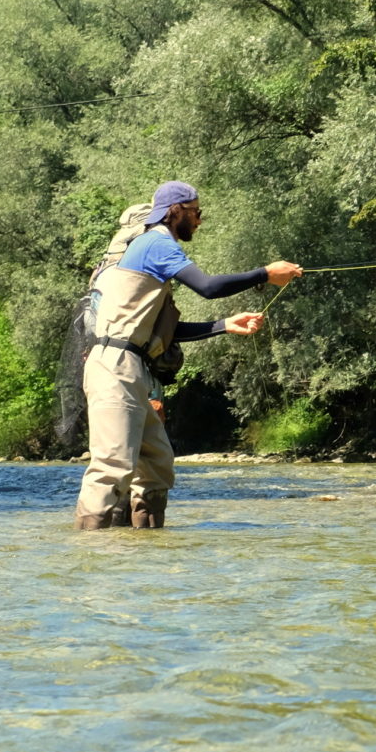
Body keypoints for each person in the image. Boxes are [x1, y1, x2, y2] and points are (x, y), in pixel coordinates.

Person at [73, 181, 300, 529]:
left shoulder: (155, 248)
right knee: (112, 467)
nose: (199, 220)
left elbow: (163, 332)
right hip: (115, 366)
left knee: (157, 463)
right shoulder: (155, 242)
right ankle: (92, 555)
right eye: (195, 212)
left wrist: (225, 324)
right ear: (174, 211)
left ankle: (145, 546)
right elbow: (207, 287)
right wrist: (265, 274)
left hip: (132, 367)